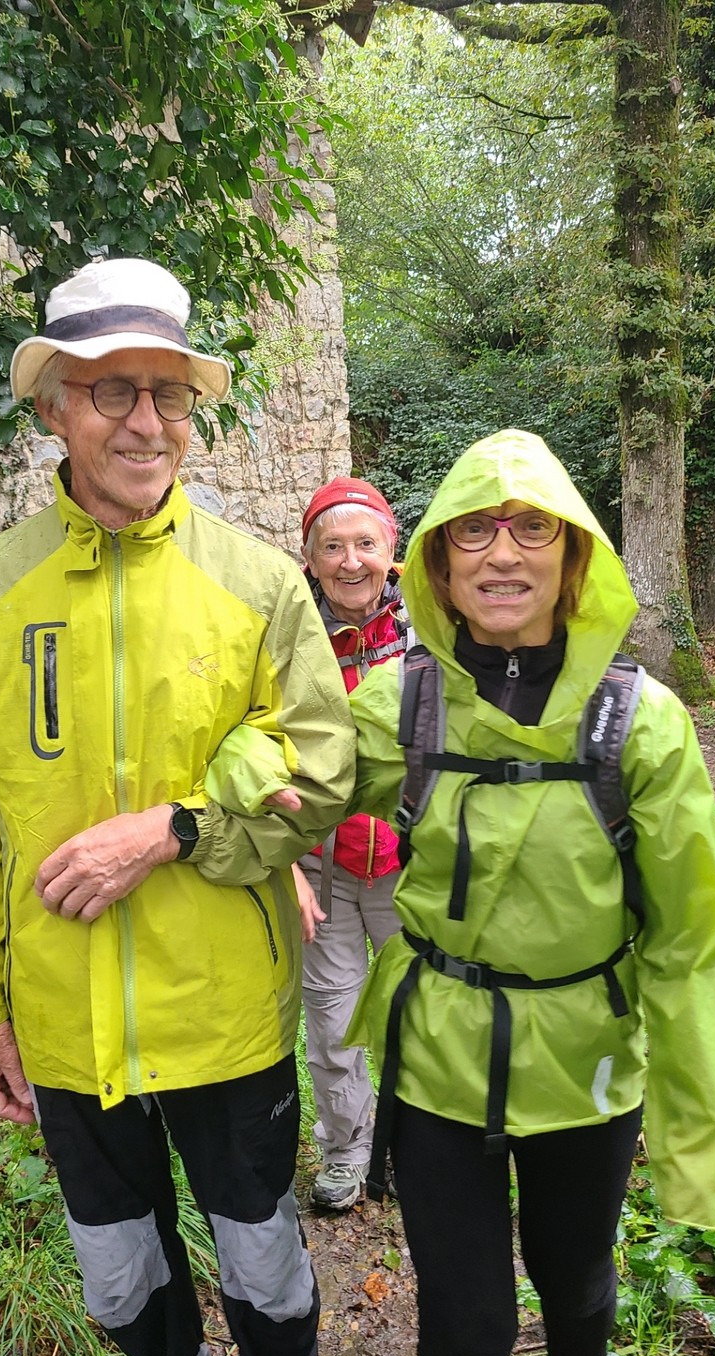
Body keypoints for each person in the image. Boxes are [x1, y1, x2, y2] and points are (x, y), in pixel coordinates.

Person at [0, 257, 355, 1356]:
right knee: (119, 1272)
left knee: (263, 1261)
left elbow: (319, 773)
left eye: (168, 392)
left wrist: (171, 829)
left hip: (225, 1013)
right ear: (54, 404)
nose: (146, 421)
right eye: (112, 392)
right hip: (59, 1021)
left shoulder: (261, 585)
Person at [339, 429, 715, 1356]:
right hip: (437, 1055)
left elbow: (691, 941)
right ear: (437, 563)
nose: (504, 553)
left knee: (577, 1281)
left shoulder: (642, 724)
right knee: (465, 1319)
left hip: (587, 1060)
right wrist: (178, 824)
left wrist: (699, 1143)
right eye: (473, 531)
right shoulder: (400, 700)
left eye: (534, 528)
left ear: (574, 562)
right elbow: (279, 778)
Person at [295, 478, 407, 1211]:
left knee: (419, 1016)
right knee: (334, 1026)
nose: (350, 561)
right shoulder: (286, 632)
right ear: (308, 556)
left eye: (365, 543)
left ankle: (417, 1147)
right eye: (332, 546)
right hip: (319, 869)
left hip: (411, 866)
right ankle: (348, 1152)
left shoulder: (431, 627)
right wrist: (282, 865)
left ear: (390, 551)